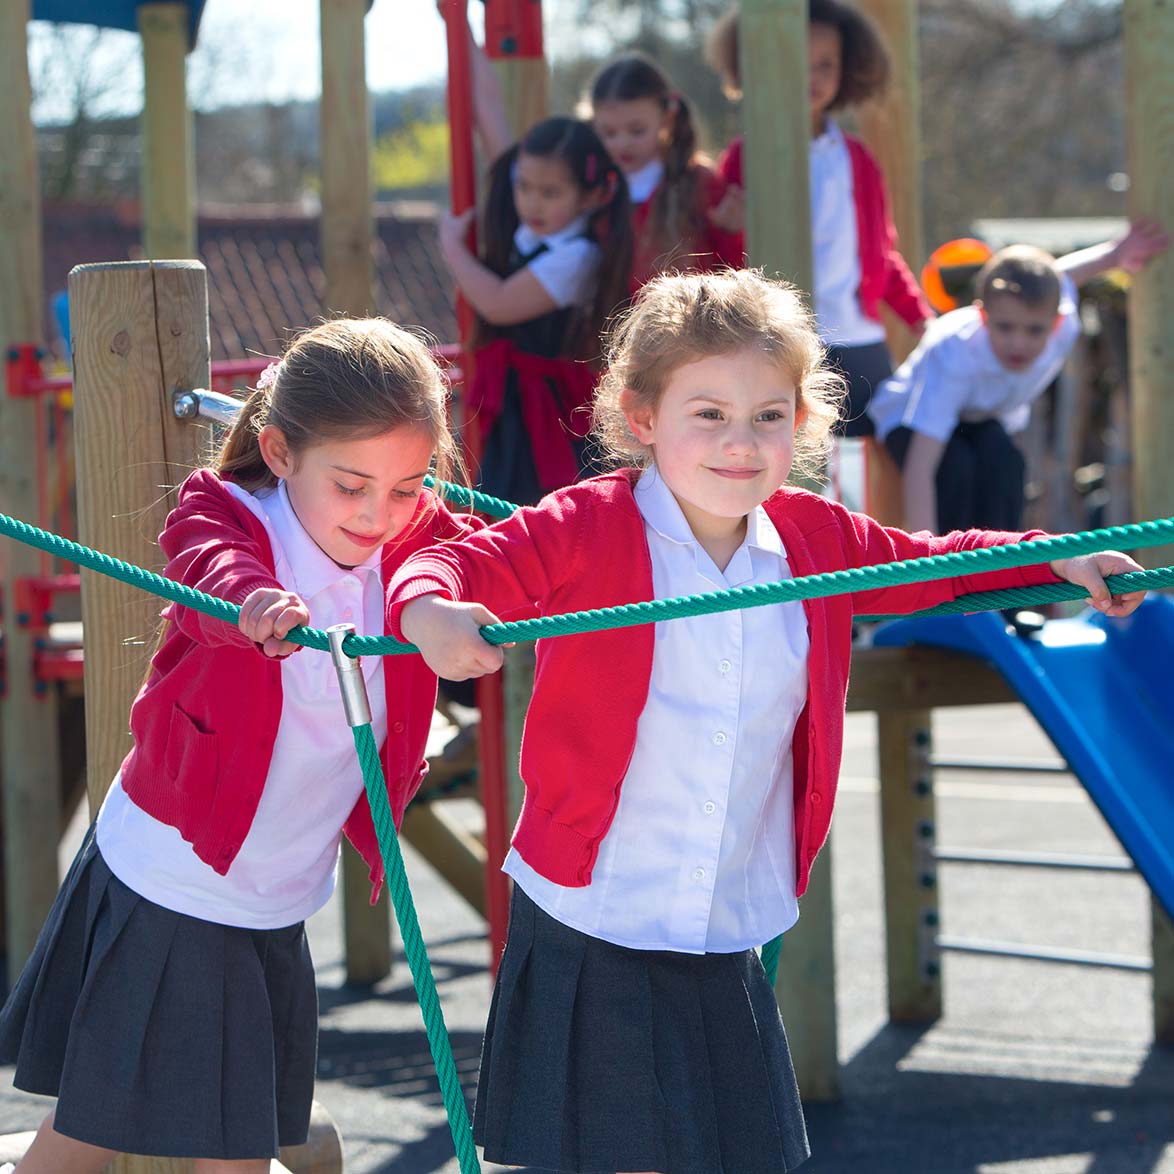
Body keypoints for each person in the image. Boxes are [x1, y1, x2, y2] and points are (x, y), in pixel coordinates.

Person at [384, 268, 1145, 1174]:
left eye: (769, 417)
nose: (741, 443)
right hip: (600, 905)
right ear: (642, 419)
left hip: (724, 910)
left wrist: (1055, 561)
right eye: (708, 414)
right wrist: (429, 616)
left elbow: (933, 565)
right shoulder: (585, 527)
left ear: (803, 422)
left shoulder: (815, 542)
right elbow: (450, 570)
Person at [0, 318, 480, 1173]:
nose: (379, 514)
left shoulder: (415, 538)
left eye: (407, 487)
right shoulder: (230, 516)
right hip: (177, 871)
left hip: (278, 885)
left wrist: (434, 610)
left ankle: (309, 1143)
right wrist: (251, 602)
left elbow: (457, 564)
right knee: (100, 1133)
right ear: (280, 451)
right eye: (352, 485)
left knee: (252, 1129)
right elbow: (202, 565)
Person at [707, 0, 932, 441]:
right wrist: (728, 230)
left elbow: (880, 256)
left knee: (864, 466)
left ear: (847, 68)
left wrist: (919, 318)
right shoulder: (744, 157)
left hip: (859, 339)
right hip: (778, 341)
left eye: (825, 65)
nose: (811, 77)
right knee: (794, 467)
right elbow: (724, 267)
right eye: (798, 62)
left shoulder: (858, 159)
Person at [868, 221, 1169, 533]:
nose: (1018, 343)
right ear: (983, 317)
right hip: (906, 419)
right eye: (1005, 328)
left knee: (1005, 459)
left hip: (977, 418)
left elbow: (1058, 275)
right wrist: (926, 552)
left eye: (1034, 330)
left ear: (1056, 322)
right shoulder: (957, 354)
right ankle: (950, 569)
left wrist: (1116, 254)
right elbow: (922, 467)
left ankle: (1002, 564)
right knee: (955, 467)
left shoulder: (1062, 325)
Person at [440, 115, 633, 505]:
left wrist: (452, 248)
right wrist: (465, 54)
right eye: (524, 187)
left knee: (538, 502)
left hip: (547, 409)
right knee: (497, 498)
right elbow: (491, 114)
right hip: (513, 400)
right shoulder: (530, 229)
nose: (532, 202)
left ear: (592, 197)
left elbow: (497, 303)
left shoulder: (577, 255)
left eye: (550, 193)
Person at [590, 52, 745, 291]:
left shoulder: (700, 184)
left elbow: (734, 273)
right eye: (609, 133)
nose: (622, 143)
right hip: (611, 325)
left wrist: (732, 232)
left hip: (685, 322)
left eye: (637, 130)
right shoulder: (593, 189)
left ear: (667, 119)